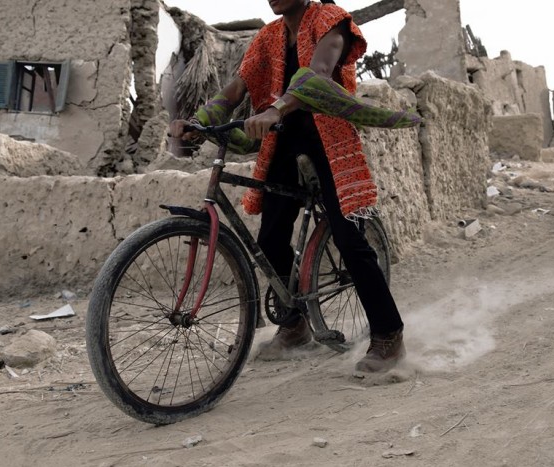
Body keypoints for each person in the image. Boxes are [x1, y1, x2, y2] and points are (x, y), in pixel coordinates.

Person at [169, 0, 421, 372]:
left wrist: (275, 108)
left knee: (349, 238)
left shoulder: (330, 21)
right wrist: (201, 119)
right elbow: (239, 86)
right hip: (283, 141)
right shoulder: (268, 36)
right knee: (269, 238)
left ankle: (388, 335)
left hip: (327, 139)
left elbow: (317, 73)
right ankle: (295, 323)